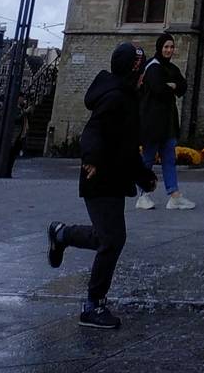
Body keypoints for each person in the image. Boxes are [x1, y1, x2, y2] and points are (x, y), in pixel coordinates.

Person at [45, 41, 157, 331]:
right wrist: (92, 158)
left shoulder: (128, 95)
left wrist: (143, 176)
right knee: (112, 240)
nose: (144, 75)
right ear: (132, 69)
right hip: (99, 176)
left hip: (113, 177)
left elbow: (127, 146)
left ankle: (62, 234)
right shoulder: (115, 97)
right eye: (141, 69)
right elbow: (93, 131)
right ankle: (93, 304)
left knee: (104, 237)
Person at [135, 31, 193, 212]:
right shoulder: (152, 66)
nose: (169, 50)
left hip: (167, 122)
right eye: (166, 47)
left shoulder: (171, 68)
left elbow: (183, 86)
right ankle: (143, 195)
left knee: (169, 158)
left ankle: (174, 195)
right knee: (148, 158)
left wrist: (173, 86)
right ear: (160, 48)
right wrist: (171, 86)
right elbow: (158, 89)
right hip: (152, 121)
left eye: (171, 47)